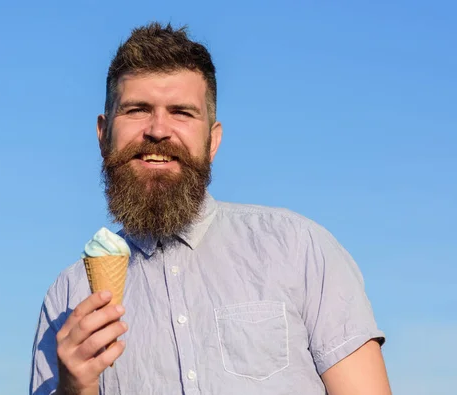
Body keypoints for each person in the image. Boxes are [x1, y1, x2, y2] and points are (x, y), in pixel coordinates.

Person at [29, 22, 392, 395]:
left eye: (182, 112)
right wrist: (76, 388)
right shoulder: (67, 298)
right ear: (103, 135)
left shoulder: (299, 249)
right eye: (137, 109)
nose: (158, 130)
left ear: (212, 140)